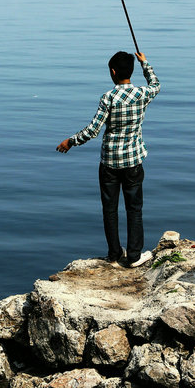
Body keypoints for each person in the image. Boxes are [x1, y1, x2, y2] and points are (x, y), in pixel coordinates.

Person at [56, 51, 160, 268]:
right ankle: (133, 256)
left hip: (110, 164)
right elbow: (156, 84)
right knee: (134, 209)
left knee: (109, 210)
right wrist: (145, 63)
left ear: (113, 72)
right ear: (131, 71)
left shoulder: (108, 97)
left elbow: (93, 130)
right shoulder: (143, 93)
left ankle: (114, 254)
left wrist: (71, 141)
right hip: (133, 162)